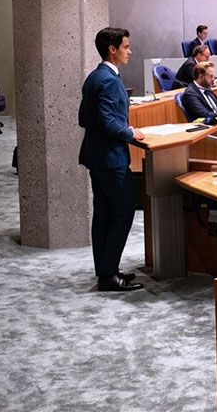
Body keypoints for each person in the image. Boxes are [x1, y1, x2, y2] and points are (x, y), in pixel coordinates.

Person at [78, 27, 145, 292]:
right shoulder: (107, 80)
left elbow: (84, 119)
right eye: (126, 47)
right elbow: (106, 121)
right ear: (112, 49)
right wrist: (130, 131)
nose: (130, 51)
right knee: (123, 211)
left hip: (98, 157)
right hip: (110, 159)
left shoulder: (96, 76)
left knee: (104, 213)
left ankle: (107, 271)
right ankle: (108, 274)